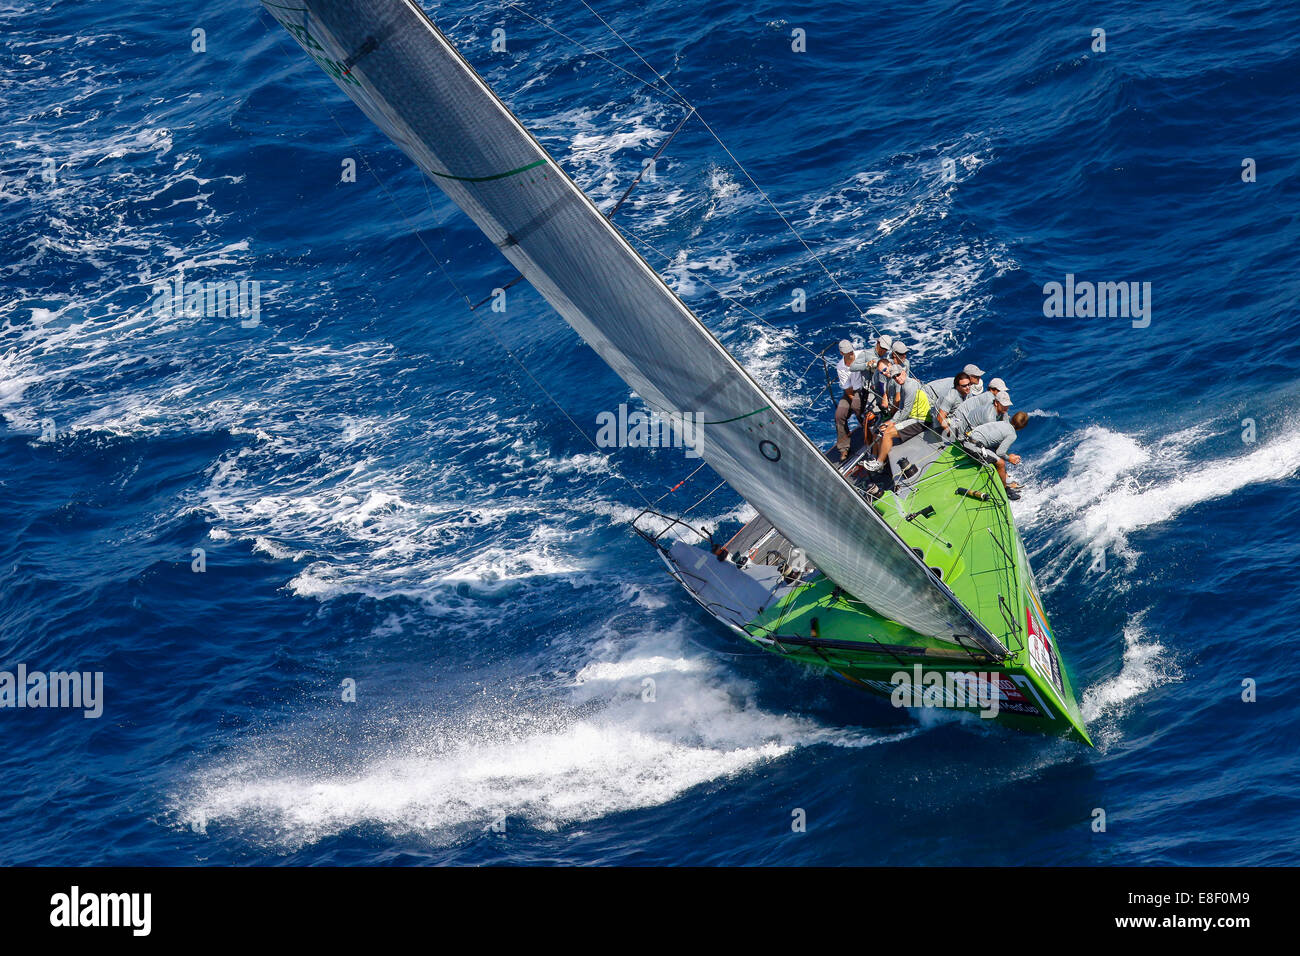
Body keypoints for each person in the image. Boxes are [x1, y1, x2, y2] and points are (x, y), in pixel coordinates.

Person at [863, 363, 931, 472]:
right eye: (894, 377)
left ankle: (879, 463)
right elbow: (901, 408)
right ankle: (877, 458)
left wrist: (892, 423)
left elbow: (906, 410)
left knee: (888, 433)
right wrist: (891, 422)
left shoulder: (910, 386)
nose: (897, 378)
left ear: (904, 372)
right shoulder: (904, 385)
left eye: (898, 375)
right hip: (911, 418)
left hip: (921, 420)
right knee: (882, 429)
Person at [967, 411, 1029, 499]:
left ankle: (1005, 479)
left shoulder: (1003, 422)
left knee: (996, 453)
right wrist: (1009, 458)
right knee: (1001, 463)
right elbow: (1000, 453)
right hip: (974, 447)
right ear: (1022, 427)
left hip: (969, 438)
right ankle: (1005, 491)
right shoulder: (1012, 435)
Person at [833, 339, 865, 462]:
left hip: (864, 388)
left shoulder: (862, 355)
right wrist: (856, 403)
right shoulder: (840, 366)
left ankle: (869, 432)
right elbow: (848, 390)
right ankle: (844, 448)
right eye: (847, 352)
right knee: (839, 415)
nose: (850, 354)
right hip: (851, 392)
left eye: (851, 350)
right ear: (842, 353)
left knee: (858, 407)